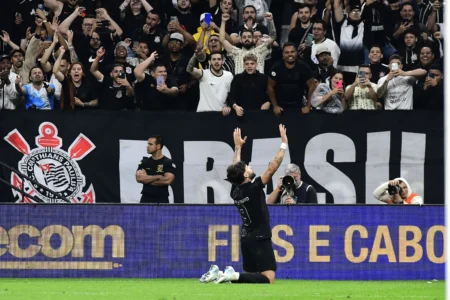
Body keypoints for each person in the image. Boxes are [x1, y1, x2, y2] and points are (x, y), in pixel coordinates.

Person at [200, 125, 288, 284]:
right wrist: (284, 143)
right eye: (248, 167)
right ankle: (229, 275)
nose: (250, 166)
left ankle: (221, 274)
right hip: (260, 236)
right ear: (246, 175)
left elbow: (236, 167)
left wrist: (238, 147)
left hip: (246, 237)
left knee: (251, 276)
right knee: (269, 278)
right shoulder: (253, 188)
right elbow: (273, 167)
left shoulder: (235, 190)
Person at [186, 49, 233, 115]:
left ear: (223, 62)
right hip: (203, 114)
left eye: (219, 59)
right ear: (209, 62)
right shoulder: (203, 74)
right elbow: (189, 69)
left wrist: (229, 106)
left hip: (221, 115)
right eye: (214, 59)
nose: (216, 61)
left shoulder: (229, 75)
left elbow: (231, 95)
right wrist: (195, 56)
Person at [136, 135, 176, 204]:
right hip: (146, 198)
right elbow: (139, 178)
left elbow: (167, 180)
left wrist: (147, 180)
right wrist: (158, 176)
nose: (147, 146)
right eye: (148, 144)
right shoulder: (144, 162)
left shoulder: (168, 162)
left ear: (158, 146)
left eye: (150, 144)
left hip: (162, 199)